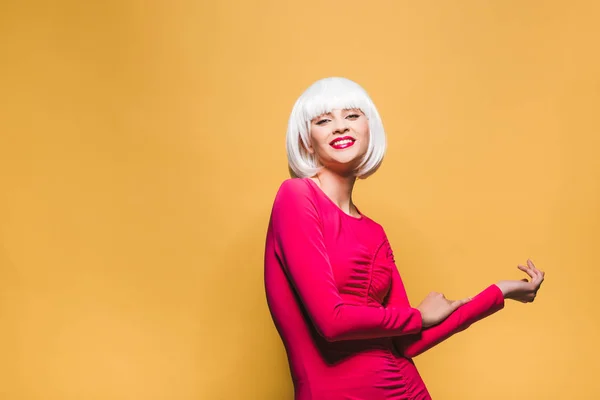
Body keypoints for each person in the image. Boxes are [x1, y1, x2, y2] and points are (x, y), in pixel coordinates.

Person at [263, 77, 544, 400]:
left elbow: (409, 341)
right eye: (324, 120)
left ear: (370, 129)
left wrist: (498, 293)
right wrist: (418, 316)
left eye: (352, 116)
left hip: (407, 391)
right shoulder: (296, 197)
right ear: (306, 141)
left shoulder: (374, 231)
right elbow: (332, 321)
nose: (340, 127)